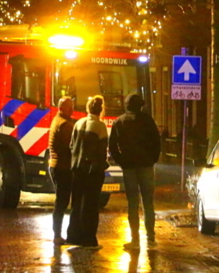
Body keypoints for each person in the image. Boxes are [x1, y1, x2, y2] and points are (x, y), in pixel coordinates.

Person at [108, 93, 161, 250]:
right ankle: (151, 238)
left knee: (132, 203)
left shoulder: (120, 122)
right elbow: (157, 142)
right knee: (148, 202)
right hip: (146, 166)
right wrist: (153, 159)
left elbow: (112, 146)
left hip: (129, 167)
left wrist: (121, 161)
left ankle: (135, 239)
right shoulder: (147, 121)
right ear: (141, 105)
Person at [66, 95, 109, 249]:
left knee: (76, 203)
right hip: (92, 171)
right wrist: (102, 165)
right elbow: (102, 151)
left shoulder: (78, 123)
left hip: (76, 169)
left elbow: (72, 145)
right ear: (101, 109)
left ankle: (73, 235)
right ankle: (89, 239)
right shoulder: (100, 126)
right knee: (90, 204)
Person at [47, 96, 76, 245]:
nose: (72, 109)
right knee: (62, 202)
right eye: (69, 106)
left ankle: (57, 234)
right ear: (61, 108)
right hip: (62, 167)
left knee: (61, 201)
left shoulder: (56, 120)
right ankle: (57, 235)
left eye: (72, 106)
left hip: (56, 165)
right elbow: (71, 147)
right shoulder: (64, 125)